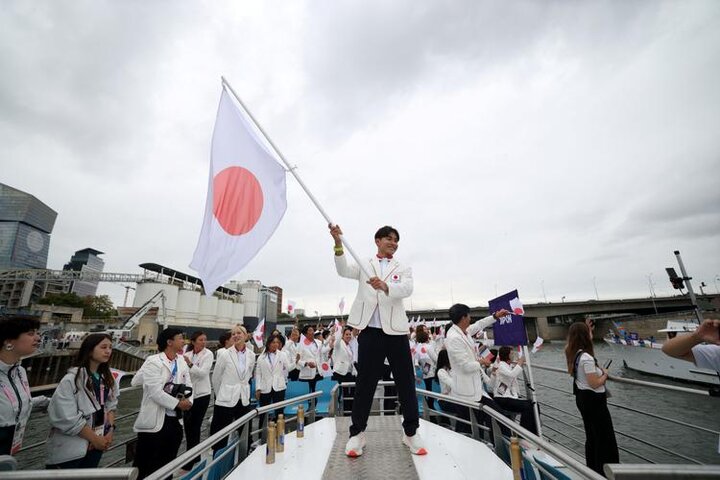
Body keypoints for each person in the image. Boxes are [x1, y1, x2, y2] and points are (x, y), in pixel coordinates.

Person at [330, 224, 426, 457]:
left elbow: (407, 288)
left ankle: (411, 432)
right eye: (389, 239)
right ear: (378, 240)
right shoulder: (364, 264)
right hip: (369, 332)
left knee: (405, 382)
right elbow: (342, 270)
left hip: (396, 332)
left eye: (396, 240)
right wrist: (338, 243)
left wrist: (384, 285)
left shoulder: (402, 267)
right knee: (365, 384)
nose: (393, 243)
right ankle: (357, 434)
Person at [46, 333, 118, 468]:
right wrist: (94, 439)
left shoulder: (107, 378)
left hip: (97, 444)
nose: (108, 351)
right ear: (90, 350)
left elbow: (111, 405)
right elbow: (66, 417)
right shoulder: (71, 379)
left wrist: (109, 430)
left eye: (110, 347)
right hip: (72, 450)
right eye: (103, 347)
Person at [132, 328, 193, 479]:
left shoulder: (181, 361)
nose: (183, 341)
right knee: (145, 464)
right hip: (154, 422)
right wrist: (178, 404)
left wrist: (189, 401)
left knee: (168, 462)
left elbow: (189, 384)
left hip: (175, 420)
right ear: (169, 342)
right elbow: (155, 393)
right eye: (180, 338)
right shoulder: (153, 362)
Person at [444, 303, 511, 436]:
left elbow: (479, 324)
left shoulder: (463, 331)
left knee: (471, 424)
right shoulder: (454, 338)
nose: (471, 319)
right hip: (466, 391)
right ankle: (505, 443)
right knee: (489, 419)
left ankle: (492, 444)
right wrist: (482, 362)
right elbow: (466, 366)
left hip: (474, 389)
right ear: (463, 318)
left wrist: (496, 316)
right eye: (469, 316)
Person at [565, 321, 619, 476]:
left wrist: (587, 329)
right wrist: (605, 374)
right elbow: (595, 383)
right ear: (585, 337)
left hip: (582, 399)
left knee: (592, 436)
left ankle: (593, 469)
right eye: (588, 333)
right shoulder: (586, 358)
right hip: (594, 402)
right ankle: (605, 472)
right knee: (604, 437)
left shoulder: (573, 353)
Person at [0, 315, 41, 456]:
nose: (38, 338)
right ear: (9, 341)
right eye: (31, 334)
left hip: (9, 452)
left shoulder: (20, 372)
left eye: (37, 333)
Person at [210, 325, 255, 453]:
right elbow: (216, 378)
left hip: (243, 398)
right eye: (233, 334)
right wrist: (221, 394)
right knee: (221, 434)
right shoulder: (224, 354)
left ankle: (244, 456)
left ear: (246, 336)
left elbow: (248, 375)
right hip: (225, 399)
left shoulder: (251, 355)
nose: (236, 336)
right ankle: (218, 462)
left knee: (245, 431)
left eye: (239, 333)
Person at [180, 331, 214, 472]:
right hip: (189, 396)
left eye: (204, 340)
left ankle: (190, 460)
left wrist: (190, 365)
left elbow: (203, 373)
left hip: (202, 395)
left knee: (195, 426)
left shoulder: (208, 354)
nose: (203, 342)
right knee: (188, 427)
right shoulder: (186, 355)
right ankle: (195, 456)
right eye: (200, 340)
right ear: (193, 342)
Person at [492, 346, 538, 434]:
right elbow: (512, 374)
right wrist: (520, 363)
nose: (514, 355)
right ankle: (524, 433)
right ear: (507, 355)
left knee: (535, 405)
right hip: (502, 398)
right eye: (512, 353)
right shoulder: (501, 365)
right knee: (528, 407)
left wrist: (517, 364)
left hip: (509, 397)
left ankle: (533, 432)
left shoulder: (508, 365)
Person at [255, 334, 292, 422]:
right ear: (268, 344)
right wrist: (258, 388)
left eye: (277, 342)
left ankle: (280, 432)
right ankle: (261, 434)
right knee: (263, 411)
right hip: (265, 387)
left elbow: (288, 368)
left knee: (279, 411)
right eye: (273, 342)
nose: (275, 344)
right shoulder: (261, 357)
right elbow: (258, 374)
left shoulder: (282, 355)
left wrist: (297, 361)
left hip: (279, 387)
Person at [332, 326, 357, 413]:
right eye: (346, 334)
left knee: (352, 393)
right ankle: (346, 412)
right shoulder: (339, 344)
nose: (348, 336)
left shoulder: (350, 345)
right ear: (342, 335)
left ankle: (351, 411)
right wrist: (341, 331)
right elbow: (336, 342)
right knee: (345, 393)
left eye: (349, 334)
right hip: (341, 372)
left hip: (350, 372)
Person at [415, 326, 438, 410]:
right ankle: (431, 409)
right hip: (430, 372)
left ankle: (426, 408)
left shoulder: (417, 347)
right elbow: (436, 359)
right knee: (431, 393)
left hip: (422, 373)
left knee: (425, 392)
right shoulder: (428, 347)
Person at [297, 325, 323, 393]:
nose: (312, 332)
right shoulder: (301, 345)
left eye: (313, 330)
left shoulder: (319, 343)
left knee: (317, 395)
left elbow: (321, 357)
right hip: (307, 374)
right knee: (308, 396)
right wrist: (306, 363)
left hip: (318, 373)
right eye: (310, 330)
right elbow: (297, 360)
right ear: (305, 334)